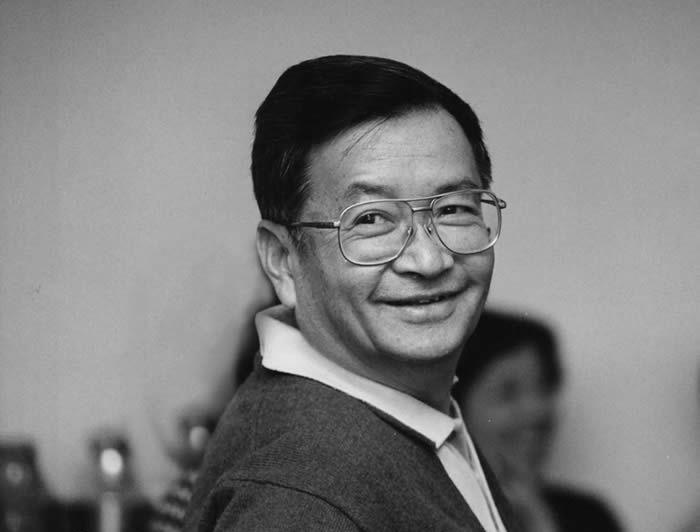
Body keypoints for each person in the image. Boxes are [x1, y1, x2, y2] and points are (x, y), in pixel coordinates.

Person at [183, 54, 513, 532]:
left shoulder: (400, 410)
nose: (429, 261)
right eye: (371, 219)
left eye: (453, 209)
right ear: (282, 259)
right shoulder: (297, 495)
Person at [454, 310, 623, 532]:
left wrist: (539, 521)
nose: (539, 410)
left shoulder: (590, 518)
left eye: (544, 387)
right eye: (508, 393)